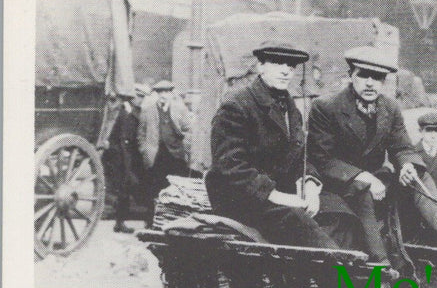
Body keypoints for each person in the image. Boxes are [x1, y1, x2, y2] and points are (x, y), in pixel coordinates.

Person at [308, 45, 437, 263]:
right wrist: (362, 177)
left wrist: (407, 166)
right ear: (350, 75)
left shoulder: (390, 107)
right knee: (363, 190)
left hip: (378, 179)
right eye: (363, 76)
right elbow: (322, 159)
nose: (370, 83)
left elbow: (402, 148)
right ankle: (381, 262)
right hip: (339, 183)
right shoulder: (325, 107)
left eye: (377, 77)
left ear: (383, 81)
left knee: (418, 174)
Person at [203, 40, 337, 252]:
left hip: (275, 195)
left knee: (338, 211)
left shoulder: (291, 108)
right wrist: (278, 196)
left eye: (291, 66)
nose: (286, 71)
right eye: (277, 63)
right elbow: (229, 166)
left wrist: (310, 186)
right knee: (295, 219)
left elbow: (301, 155)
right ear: (260, 66)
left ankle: (342, 273)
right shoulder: (237, 105)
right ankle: (348, 282)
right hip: (239, 199)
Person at [138, 79, 192, 224]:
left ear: (171, 93)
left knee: (177, 191)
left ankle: (176, 223)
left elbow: (188, 130)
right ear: (156, 94)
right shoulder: (148, 110)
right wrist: (144, 150)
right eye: (160, 92)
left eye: (166, 92)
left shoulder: (179, 109)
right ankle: (152, 223)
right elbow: (141, 134)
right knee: (155, 191)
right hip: (157, 157)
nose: (163, 95)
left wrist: (185, 148)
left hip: (176, 157)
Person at [104, 83, 149, 232]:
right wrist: (127, 162)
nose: (141, 100)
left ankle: (122, 221)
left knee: (127, 188)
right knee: (125, 188)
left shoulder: (134, 112)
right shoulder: (124, 113)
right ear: (133, 97)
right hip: (122, 157)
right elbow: (123, 139)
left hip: (129, 156)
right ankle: (120, 222)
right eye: (139, 96)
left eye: (142, 97)